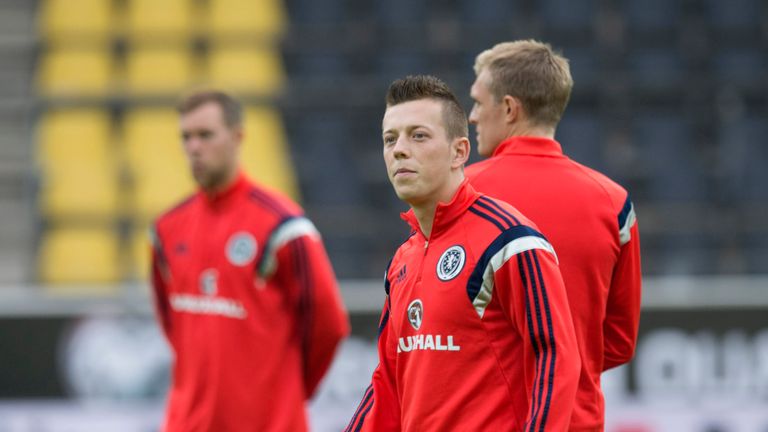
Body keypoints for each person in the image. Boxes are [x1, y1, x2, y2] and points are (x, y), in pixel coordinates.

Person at [347, 75, 580, 431]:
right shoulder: (402, 260)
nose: (399, 150)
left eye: (418, 135)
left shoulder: (510, 241)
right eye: (390, 139)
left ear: (459, 152)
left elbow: (556, 356)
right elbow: (387, 380)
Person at [465, 40, 642, 431]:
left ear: (509, 108)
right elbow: (617, 341)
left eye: (478, 103)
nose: (473, 117)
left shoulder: (459, 196)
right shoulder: (614, 203)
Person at [149, 90, 349, 431]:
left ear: (237, 137)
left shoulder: (284, 227)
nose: (194, 147)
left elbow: (328, 325)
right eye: (186, 137)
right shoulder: (166, 230)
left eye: (205, 135)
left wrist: (285, 391)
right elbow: (174, 328)